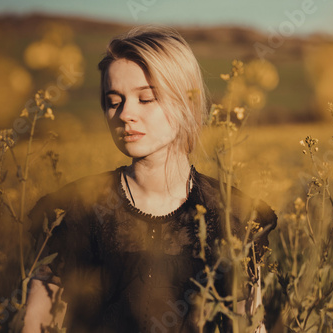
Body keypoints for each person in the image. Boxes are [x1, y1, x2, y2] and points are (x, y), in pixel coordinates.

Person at [22, 26, 277, 333]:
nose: (126, 114)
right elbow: (36, 325)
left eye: (146, 98)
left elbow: (249, 325)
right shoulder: (72, 210)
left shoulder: (235, 215)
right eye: (114, 101)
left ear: (188, 104)